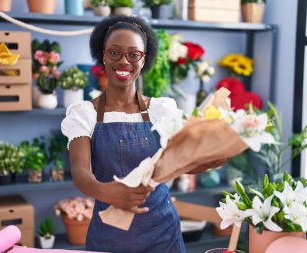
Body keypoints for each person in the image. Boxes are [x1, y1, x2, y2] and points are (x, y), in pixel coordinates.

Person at [61, 15, 225, 253]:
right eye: (114, 52)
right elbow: (80, 171)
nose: (123, 61)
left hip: (162, 234)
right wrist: (107, 192)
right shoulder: (84, 114)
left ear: (143, 59)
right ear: (103, 56)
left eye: (133, 54)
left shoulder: (161, 109)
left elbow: (177, 162)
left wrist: (209, 162)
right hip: (109, 236)